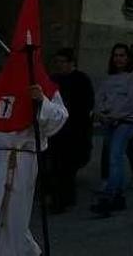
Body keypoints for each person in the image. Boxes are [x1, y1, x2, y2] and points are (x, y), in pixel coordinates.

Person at [0, 0, 69, 256]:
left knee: (13, 224)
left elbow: (59, 119)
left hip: (22, 162)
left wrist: (41, 101)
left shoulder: (45, 85)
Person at [91, 43, 133, 216]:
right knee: (112, 154)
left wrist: (114, 115)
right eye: (116, 55)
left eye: (122, 55)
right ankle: (116, 192)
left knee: (115, 154)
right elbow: (100, 96)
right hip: (109, 121)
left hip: (127, 121)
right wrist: (100, 112)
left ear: (128, 58)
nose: (118, 59)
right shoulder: (110, 77)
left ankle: (112, 194)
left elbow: (132, 101)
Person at [47, 48, 94, 213]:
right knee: (56, 167)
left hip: (75, 131)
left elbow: (86, 105)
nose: (59, 65)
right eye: (57, 62)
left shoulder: (81, 80)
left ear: (70, 63)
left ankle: (64, 200)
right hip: (57, 130)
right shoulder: (54, 79)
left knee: (67, 169)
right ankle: (58, 198)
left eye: (62, 62)